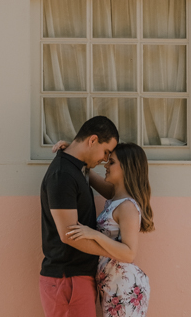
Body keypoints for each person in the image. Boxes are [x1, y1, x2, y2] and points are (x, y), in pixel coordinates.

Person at [40, 116, 120, 317]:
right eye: (106, 152)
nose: (104, 159)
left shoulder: (76, 169)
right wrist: (117, 251)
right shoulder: (63, 174)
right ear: (92, 140)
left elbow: (112, 192)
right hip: (68, 280)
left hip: (77, 279)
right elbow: (68, 235)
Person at [64, 143, 155, 317]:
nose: (105, 165)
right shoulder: (115, 197)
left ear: (126, 167)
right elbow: (86, 172)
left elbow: (129, 253)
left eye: (111, 162)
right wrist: (71, 152)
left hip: (124, 288)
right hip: (112, 286)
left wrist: (94, 234)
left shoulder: (127, 206)